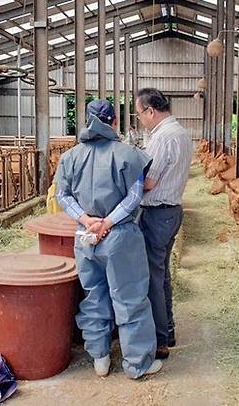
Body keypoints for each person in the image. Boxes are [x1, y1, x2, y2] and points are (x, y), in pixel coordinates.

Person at [55, 99, 162, 379]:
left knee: (94, 295)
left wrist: (88, 220)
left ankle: (100, 358)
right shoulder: (129, 154)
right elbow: (135, 195)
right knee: (130, 298)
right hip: (119, 237)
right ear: (115, 122)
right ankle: (137, 364)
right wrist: (108, 222)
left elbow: (62, 196)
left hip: (85, 237)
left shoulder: (70, 157)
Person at [134, 88, 193, 360]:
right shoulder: (181, 132)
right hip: (173, 210)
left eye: (139, 114)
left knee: (152, 279)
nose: (140, 120)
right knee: (163, 275)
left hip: (157, 213)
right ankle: (167, 330)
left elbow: (149, 181)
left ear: (150, 111)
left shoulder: (162, 137)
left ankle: (159, 341)